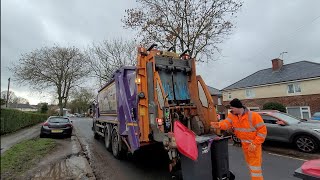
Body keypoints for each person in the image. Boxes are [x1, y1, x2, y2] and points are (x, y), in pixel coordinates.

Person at [211, 98, 267, 180]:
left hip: (253, 146)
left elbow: (262, 132)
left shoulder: (253, 116)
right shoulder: (232, 116)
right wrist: (218, 125)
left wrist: (255, 143)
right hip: (245, 146)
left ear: (237, 107)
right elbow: (226, 124)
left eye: (232, 108)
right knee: (251, 166)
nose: (231, 110)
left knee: (255, 168)